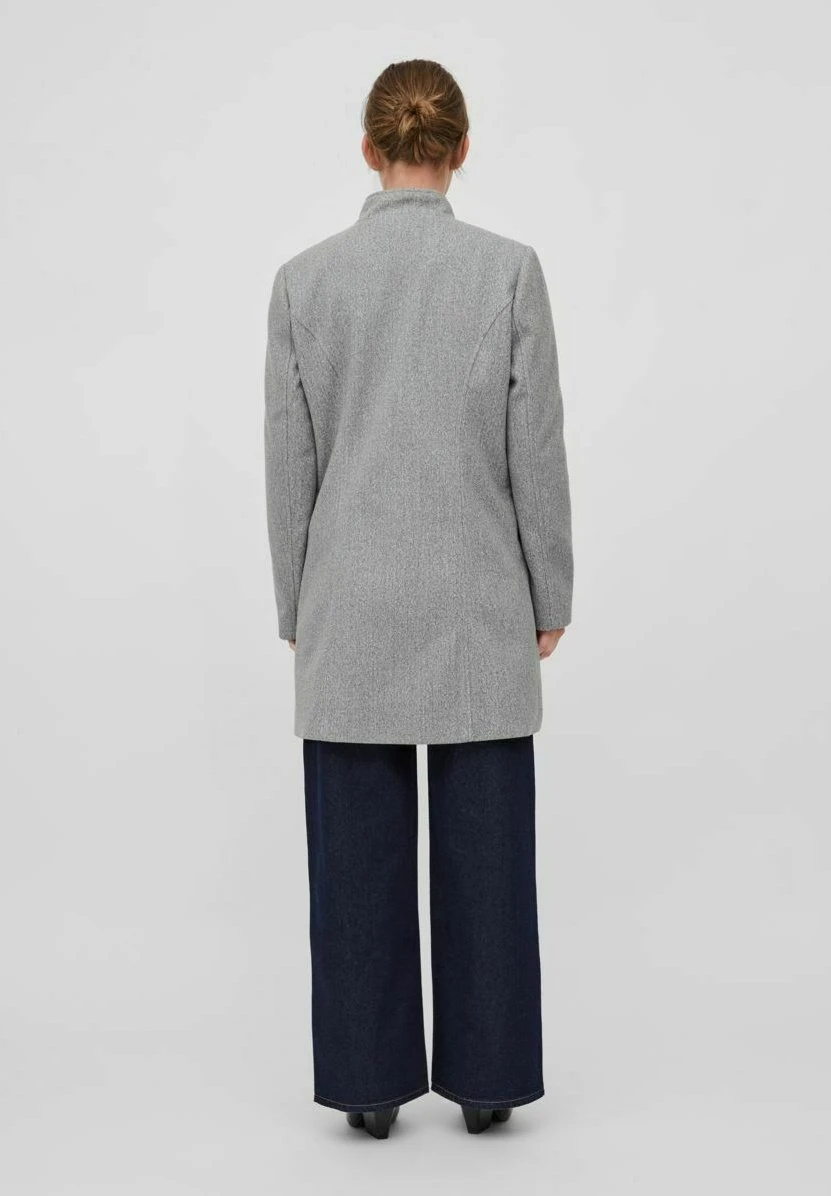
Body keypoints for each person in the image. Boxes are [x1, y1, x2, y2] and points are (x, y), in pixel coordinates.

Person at [263, 58, 574, 1138]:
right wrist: (550, 588)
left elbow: (288, 464)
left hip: (348, 602)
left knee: (353, 862)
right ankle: (489, 1079)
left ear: (369, 148)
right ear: (462, 149)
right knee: (490, 856)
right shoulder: (509, 272)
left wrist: (295, 602)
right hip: (476, 596)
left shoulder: (304, 281)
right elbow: (535, 450)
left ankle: (367, 1085)